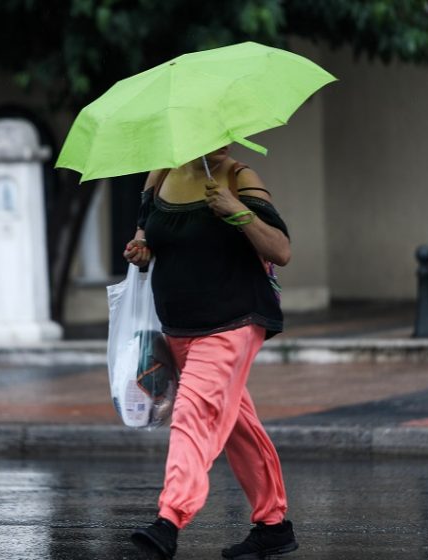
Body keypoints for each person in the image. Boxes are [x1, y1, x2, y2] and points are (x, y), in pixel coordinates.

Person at [124, 144, 298, 559]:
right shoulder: (160, 175)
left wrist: (236, 211)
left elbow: (281, 250)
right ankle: (273, 525)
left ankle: (170, 518)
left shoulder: (240, 177)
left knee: (193, 411)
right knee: (237, 424)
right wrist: (141, 250)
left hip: (233, 322)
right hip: (178, 328)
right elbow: (145, 235)